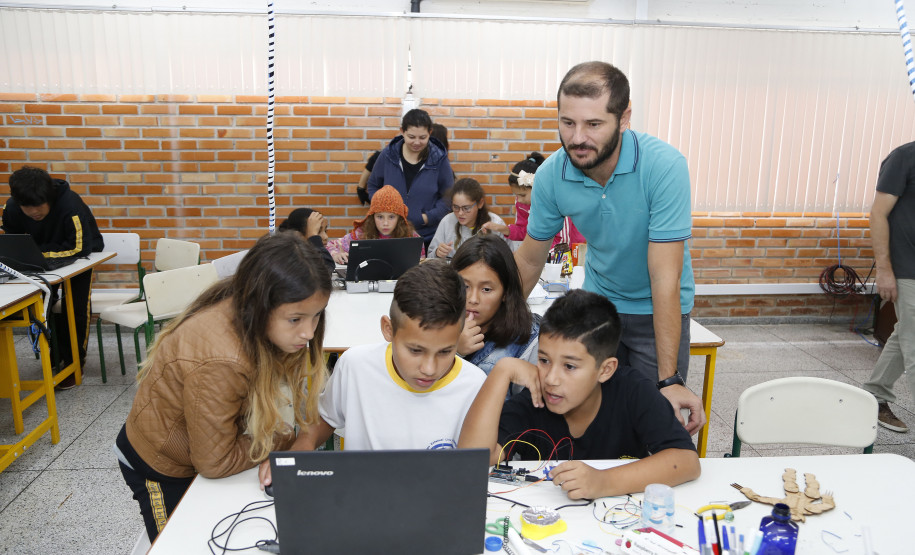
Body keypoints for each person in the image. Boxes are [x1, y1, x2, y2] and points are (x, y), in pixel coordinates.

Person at [512, 61, 705, 435]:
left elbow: (664, 277)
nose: (578, 138)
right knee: (592, 424)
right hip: (601, 308)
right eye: (568, 123)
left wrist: (669, 381)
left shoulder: (663, 167)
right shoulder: (553, 173)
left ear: (624, 116)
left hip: (657, 311)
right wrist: (495, 326)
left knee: (655, 424)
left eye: (594, 124)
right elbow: (530, 258)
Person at [115, 232, 331, 541]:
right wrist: (285, 437)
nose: (309, 333)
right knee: (179, 544)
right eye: (296, 319)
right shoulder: (222, 360)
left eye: (317, 316)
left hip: (201, 443)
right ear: (261, 305)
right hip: (159, 466)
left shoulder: (246, 308)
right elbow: (214, 462)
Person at [459, 289, 700, 499]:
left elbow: (686, 461)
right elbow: (471, 461)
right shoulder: (535, 400)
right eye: (543, 360)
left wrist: (603, 482)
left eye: (570, 366)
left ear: (605, 369)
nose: (551, 379)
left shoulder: (632, 391)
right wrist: (502, 371)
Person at [288, 260, 486, 453]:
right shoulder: (355, 366)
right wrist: (303, 444)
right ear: (388, 329)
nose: (429, 369)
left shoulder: (475, 385)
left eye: (445, 352)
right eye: (415, 350)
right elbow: (326, 418)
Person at [1, 166, 104, 388]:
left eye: (39, 206)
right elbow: (13, 243)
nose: (34, 212)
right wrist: (34, 258)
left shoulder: (70, 204)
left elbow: (81, 247)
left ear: (49, 198)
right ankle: (56, 355)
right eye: (27, 208)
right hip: (39, 264)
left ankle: (75, 361)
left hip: (80, 259)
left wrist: (37, 255)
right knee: (41, 306)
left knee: (75, 307)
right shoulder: (10, 209)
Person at [862, 141, 915, 433]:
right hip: (908, 267)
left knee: (905, 332)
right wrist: (884, 270)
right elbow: (878, 214)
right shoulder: (904, 157)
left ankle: (875, 394)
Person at [452, 235, 540, 376]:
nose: (473, 299)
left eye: (486, 289)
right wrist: (454, 351)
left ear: (505, 292)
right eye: (465, 286)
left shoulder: (527, 343)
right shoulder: (439, 323)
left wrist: (456, 358)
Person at [366, 109, 454, 244]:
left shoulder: (440, 159)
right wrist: (382, 207)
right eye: (411, 137)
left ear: (430, 133)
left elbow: (448, 196)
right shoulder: (388, 155)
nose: (417, 142)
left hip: (427, 235)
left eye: (422, 137)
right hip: (391, 235)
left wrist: (427, 218)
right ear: (402, 131)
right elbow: (373, 185)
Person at [481, 152, 585, 247]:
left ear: (537, 187)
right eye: (516, 195)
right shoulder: (521, 203)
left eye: (522, 195)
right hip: (544, 253)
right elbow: (524, 231)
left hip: (570, 252)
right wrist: (500, 228)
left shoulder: (556, 202)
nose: (519, 200)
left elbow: (562, 242)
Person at [326, 184, 425, 264]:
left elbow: (421, 264)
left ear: (399, 218)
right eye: (380, 217)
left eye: (391, 217)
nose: (385, 223)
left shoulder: (411, 237)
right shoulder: (361, 234)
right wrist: (336, 254)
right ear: (372, 217)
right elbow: (330, 244)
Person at [428, 177, 508, 259]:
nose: (460, 213)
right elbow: (429, 258)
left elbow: (508, 259)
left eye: (466, 208)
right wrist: (437, 253)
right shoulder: (447, 221)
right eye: (455, 207)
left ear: (480, 203)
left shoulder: (496, 223)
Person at [278, 207, 335, 272]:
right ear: (297, 236)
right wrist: (314, 238)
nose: (325, 237)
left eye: (325, 231)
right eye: (317, 232)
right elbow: (324, 272)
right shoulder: (290, 261)